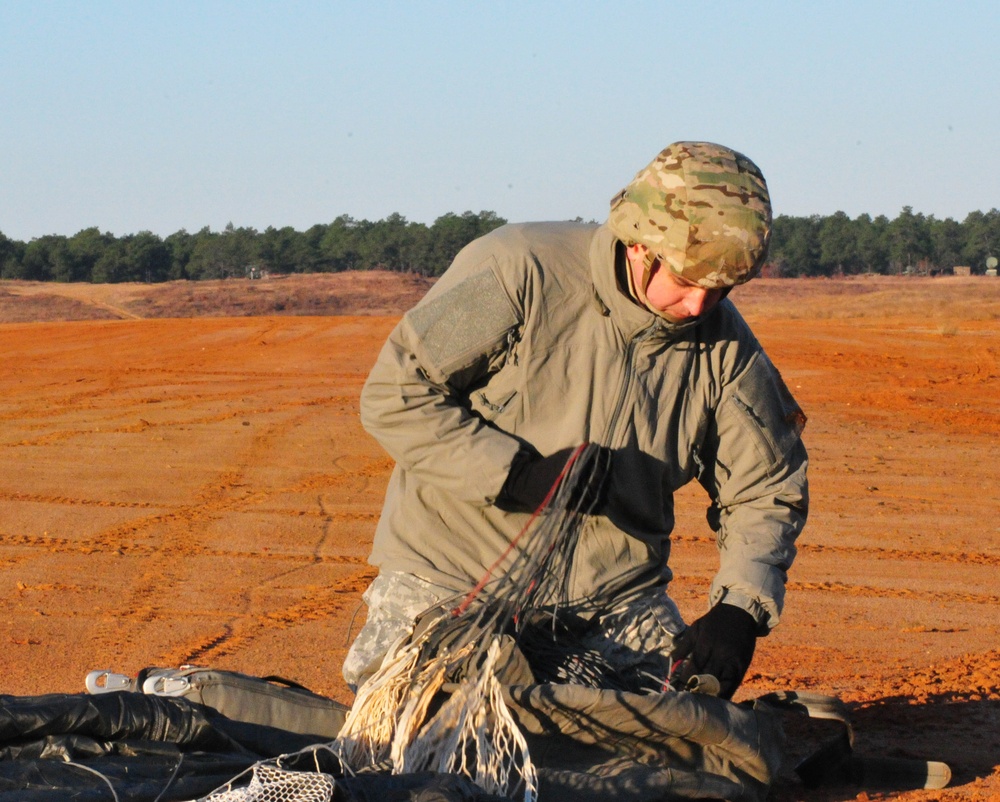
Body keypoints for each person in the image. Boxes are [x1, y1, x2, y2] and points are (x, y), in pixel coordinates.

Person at [342, 141, 808, 700]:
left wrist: (740, 608)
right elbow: (397, 392)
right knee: (433, 726)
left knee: (682, 730)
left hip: (612, 602)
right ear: (641, 245)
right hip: (450, 578)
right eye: (687, 282)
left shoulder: (727, 349)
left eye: (722, 289)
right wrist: (514, 476)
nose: (699, 307)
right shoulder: (517, 268)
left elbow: (766, 488)